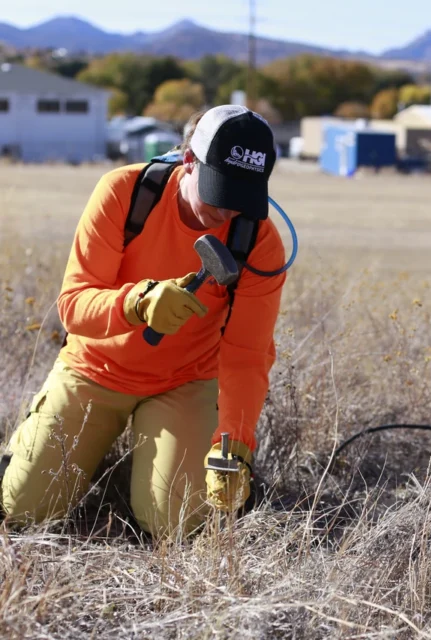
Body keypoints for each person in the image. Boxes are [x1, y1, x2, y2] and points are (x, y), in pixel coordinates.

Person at [0, 105, 287, 537]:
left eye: (241, 198)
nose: (228, 214)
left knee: (177, 524)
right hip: (93, 369)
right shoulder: (125, 192)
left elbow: (247, 354)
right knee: (23, 508)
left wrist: (236, 444)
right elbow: (73, 306)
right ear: (189, 160)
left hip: (185, 380)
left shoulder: (258, 241)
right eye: (219, 192)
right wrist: (138, 302)